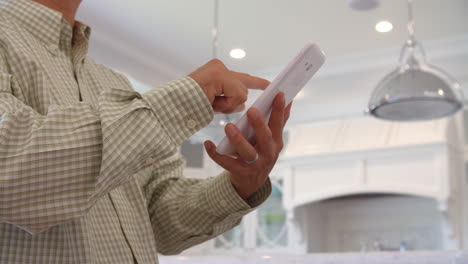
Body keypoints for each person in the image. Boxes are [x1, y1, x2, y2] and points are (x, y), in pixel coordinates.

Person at [0, 0, 292, 263]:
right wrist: (181, 100)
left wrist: (241, 185)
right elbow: (9, 173)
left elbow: (160, 219)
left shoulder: (112, 82)